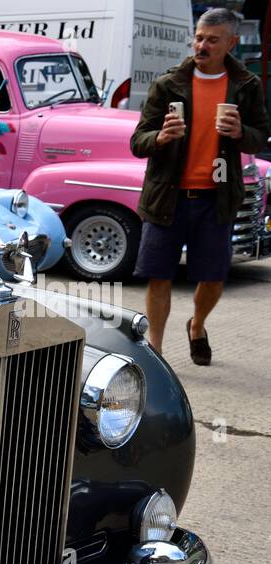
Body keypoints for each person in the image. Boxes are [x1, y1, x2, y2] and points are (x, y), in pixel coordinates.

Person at [129, 7, 268, 365]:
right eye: (199, 37)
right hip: (167, 195)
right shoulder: (168, 84)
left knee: (214, 277)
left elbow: (259, 136)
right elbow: (137, 141)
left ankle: (197, 325)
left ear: (231, 43)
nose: (201, 45)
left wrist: (240, 134)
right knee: (159, 276)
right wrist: (159, 137)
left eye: (212, 39)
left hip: (216, 197)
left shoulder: (246, 86)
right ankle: (156, 352)